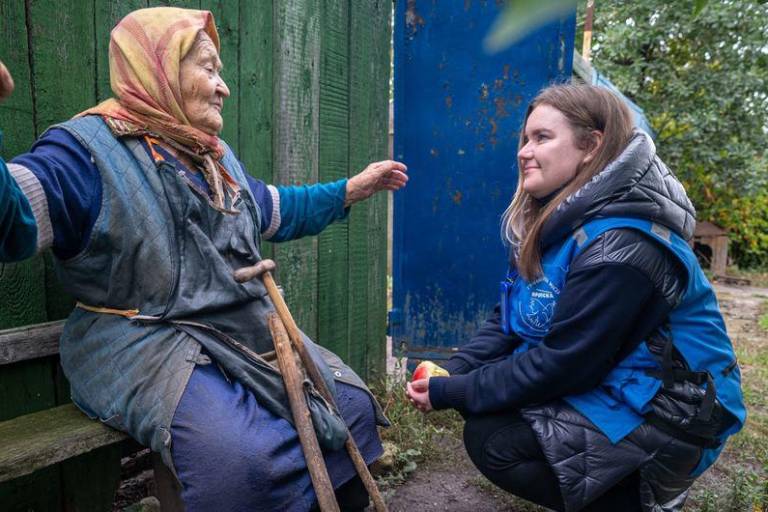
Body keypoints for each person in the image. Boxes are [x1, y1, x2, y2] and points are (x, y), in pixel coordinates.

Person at [0, 7, 407, 511]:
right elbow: (14, 221)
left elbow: (277, 208)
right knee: (243, 460)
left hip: (236, 327)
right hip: (144, 340)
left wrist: (349, 190)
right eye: (209, 69)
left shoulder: (213, 157)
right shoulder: (85, 154)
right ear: (159, 67)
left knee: (349, 406)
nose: (224, 88)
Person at [406, 84, 745, 512]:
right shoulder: (561, 221)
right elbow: (509, 318)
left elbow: (565, 365)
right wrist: (453, 370)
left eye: (542, 138)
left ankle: (642, 497)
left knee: (495, 439)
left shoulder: (621, 243)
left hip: (678, 411)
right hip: (621, 382)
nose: (524, 152)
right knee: (492, 417)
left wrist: (453, 392)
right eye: (525, 139)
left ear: (591, 146)